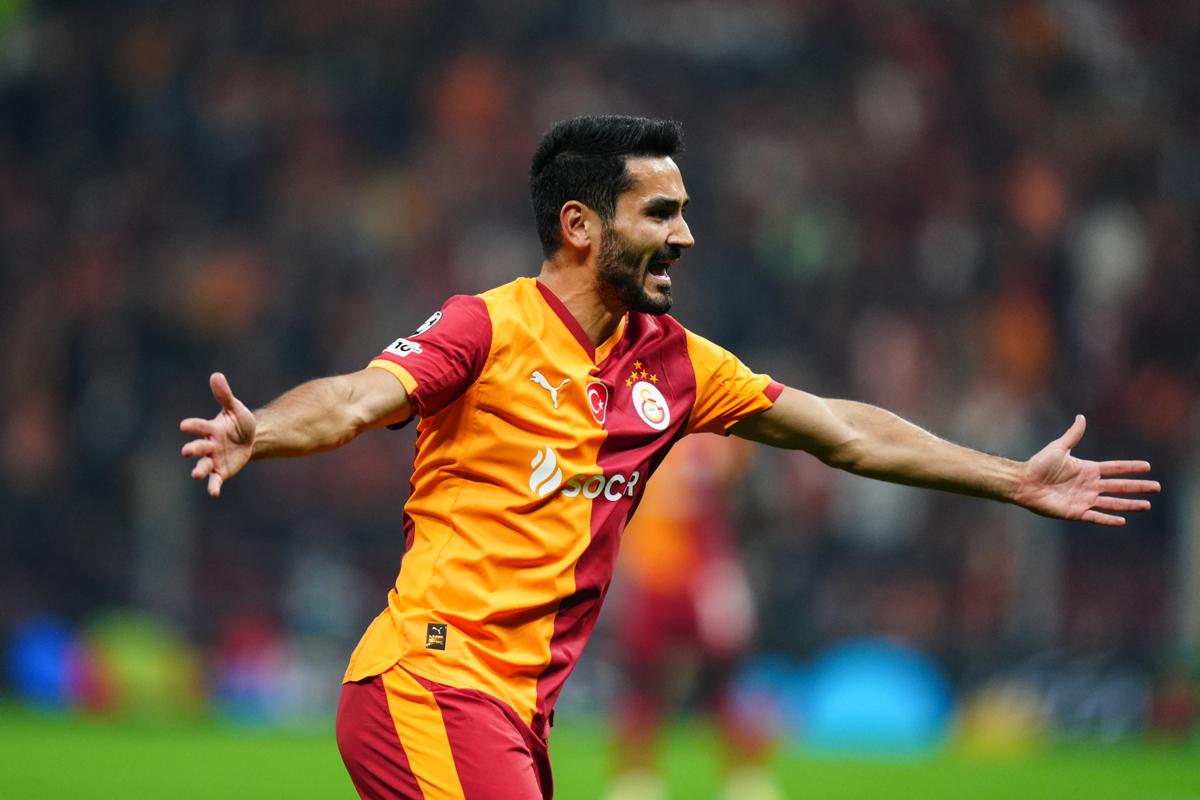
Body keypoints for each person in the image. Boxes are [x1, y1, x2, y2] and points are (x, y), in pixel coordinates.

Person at [180, 115, 1159, 800]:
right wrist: (263, 429)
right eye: (658, 213)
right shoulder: (487, 326)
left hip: (514, 711)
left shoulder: (677, 364)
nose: (684, 235)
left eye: (682, 211)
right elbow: (357, 397)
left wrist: (1008, 475)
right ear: (579, 225)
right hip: (432, 681)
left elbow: (840, 429)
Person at [605, 434, 780, 800]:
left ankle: (746, 779)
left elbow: (741, 493)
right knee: (641, 682)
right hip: (654, 575)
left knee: (722, 682)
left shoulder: (714, 438)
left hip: (703, 577)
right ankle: (636, 781)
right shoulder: (638, 433)